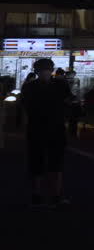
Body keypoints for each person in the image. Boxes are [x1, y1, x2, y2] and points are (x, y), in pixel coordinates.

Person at [21, 58, 73, 207]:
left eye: (46, 70)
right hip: (50, 127)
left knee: (42, 162)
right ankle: (51, 196)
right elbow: (68, 102)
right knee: (50, 162)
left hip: (40, 128)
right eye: (43, 70)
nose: (44, 73)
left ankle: (40, 195)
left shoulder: (30, 87)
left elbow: (25, 107)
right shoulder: (59, 85)